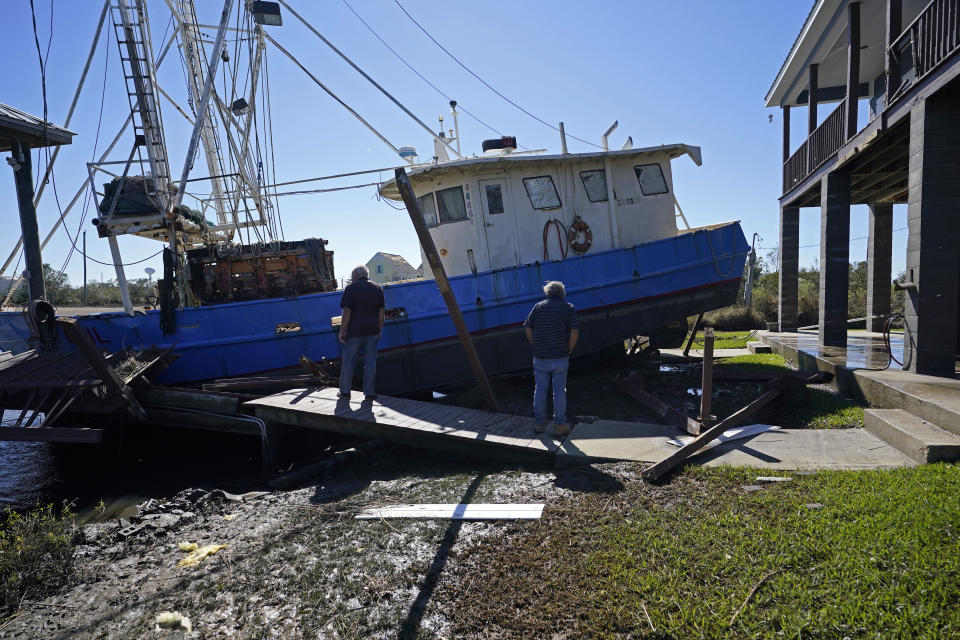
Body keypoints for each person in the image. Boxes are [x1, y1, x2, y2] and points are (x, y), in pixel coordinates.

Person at [523, 280, 579, 437]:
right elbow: (574, 331)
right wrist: (569, 350)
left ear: (547, 292)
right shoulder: (568, 308)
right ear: (562, 293)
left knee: (540, 389)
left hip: (540, 356)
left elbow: (527, 327)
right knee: (559, 391)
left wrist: (535, 345)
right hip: (560, 355)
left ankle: (540, 423)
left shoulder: (538, 307)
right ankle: (560, 425)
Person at [338, 265, 385, 400]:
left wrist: (342, 330)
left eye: (352, 276)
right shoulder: (377, 288)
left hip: (354, 333)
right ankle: (369, 393)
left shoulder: (350, 289)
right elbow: (381, 313)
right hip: (372, 332)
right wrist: (379, 329)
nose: (351, 279)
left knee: (348, 362)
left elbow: (347, 312)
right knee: (370, 363)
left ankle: (345, 392)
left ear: (356, 276)